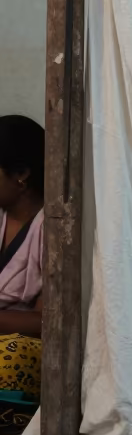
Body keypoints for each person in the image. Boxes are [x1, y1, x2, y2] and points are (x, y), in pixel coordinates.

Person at [0, 115, 45, 401]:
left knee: (9, 358)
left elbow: (47, 323)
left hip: (20, 347)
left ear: (21, 174)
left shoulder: (51, 227)